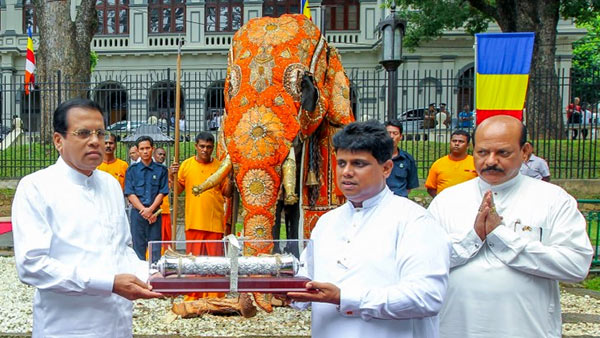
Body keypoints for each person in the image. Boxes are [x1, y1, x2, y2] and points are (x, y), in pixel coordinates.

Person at [427, 115, 593, 338]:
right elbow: (424, 262)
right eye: (482, 152)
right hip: (456, 327)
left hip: (525, 328)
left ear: (525, 152)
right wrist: (473, 239)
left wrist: (502, 237)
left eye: (502, 153)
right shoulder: (447, 200)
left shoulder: (553, 199)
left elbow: (575, 265)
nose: (491, 161)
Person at [12, 98, 162, 337]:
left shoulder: (111, 185)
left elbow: (122, 250)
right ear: (58, 140)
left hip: (118, 326)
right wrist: (108, 283)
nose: (95, 141)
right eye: (83, 133)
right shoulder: (36, 187)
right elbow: (33, 266)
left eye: (100, 133)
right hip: (68, 329)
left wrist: (158, 274)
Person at [287, 120, 450, 338]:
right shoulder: (326, 222)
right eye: (342, 163)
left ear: (386, 168)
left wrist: (344, 297)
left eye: (359, 164)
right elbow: (309, 281)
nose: (347, 172)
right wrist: (283, 288)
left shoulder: (414, 221)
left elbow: (427, 297)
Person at [170, 132, 231, 256]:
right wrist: (171, 176)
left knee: (214, 267)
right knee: (194, 265)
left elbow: (227, 193)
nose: (205, 150)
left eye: (208, 147)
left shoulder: (220, 167)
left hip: (214, 225)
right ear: (195, 146)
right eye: (202, 146)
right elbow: (178, 191)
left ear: (213, 147)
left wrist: (231, 178)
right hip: (193, 223)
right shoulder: (186, 165)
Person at [124, 136, 169, 262]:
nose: (145, 151)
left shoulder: (161, 170)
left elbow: (162, 191)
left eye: (147, 148)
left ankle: (154, 276)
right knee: (138, 248)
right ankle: (140, 277)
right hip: (138, 214)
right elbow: (130, 193)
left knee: (155, 248)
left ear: (152, 149)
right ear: (137, 151)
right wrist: (144, 210)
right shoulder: (132, 170)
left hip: (155, 214)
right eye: (142, 149)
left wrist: (151, 210)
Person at [425, 130, 478, 197]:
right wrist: (441, 201)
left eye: (461, 141)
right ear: (450, 143)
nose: (457, 144)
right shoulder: (438, 163)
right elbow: (431, 188)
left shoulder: (475, 163)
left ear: (468, 145)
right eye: (454, 141)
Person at [384, 119, 419, 197]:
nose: (391, 136)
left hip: (400, 202)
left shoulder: (407, 159)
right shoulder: (375, 158)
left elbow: (409, 187)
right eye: (388, 133)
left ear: (400, 137)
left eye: (395, 133)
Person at [153, 147, 172, 242]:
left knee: (167, 237)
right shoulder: (151, 170)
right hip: (154, 209)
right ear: (154, 155)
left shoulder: (166, 171)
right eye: (160, 154)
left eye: (164, 155)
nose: (162, 156)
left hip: (165, 208)